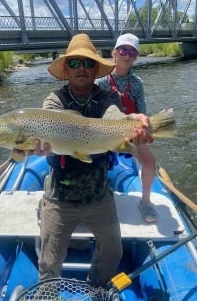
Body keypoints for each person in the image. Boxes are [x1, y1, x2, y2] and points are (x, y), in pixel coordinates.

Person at [31, 33, 153, 284]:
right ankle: (49, 293)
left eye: (87, 63)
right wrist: (37, 146)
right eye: (74, 63)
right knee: (48, 261)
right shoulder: (54, 100)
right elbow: (47, 121)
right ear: (66, 68)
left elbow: (113, 117)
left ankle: (95, 286)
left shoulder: (108, 97)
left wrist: (131, 123)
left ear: (96, 68)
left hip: (98, 195)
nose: (82, 68)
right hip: (59, 197)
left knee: (113, 251)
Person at [96, 33, 158, 223]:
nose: (127, 55)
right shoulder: (100, 81)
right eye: (123, 50)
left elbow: (142, 111)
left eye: (132, 52)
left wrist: (144, 130)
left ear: (135, 57)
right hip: (104, 132)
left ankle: (145, 201)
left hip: (131, 132)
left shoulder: (137, 84)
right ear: (114, 52)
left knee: (149, 162)